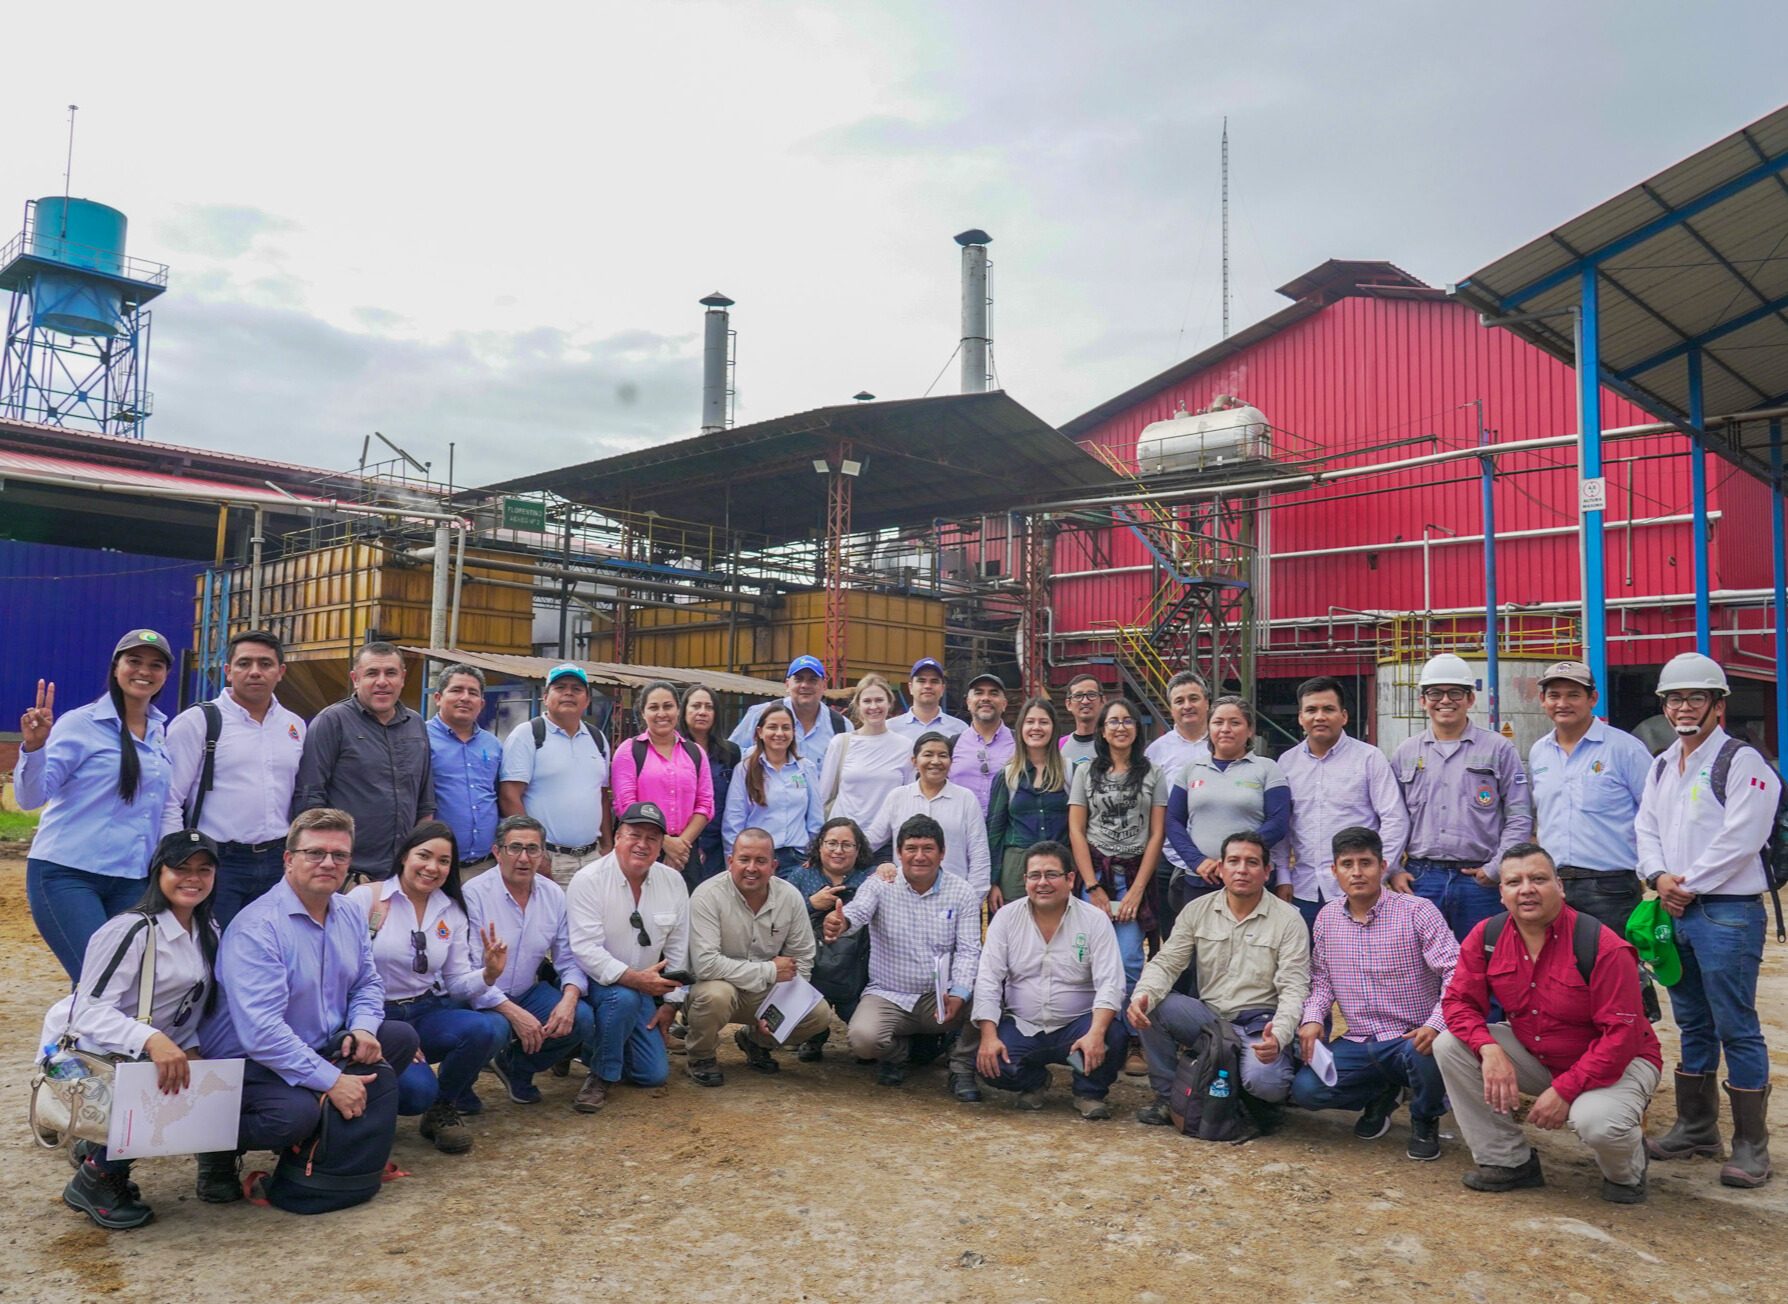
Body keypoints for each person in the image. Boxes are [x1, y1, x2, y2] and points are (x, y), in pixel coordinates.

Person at [202, 808, 421, 1204]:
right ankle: (214, 1147)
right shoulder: (259, 927)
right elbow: (262, 1035)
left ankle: (322, 1141)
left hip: (318, 1040)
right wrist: (332, 1080)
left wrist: (364, 1029)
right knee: (293, 1116)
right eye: (314, 853)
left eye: (339, 855)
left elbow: (368, 982)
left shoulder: (350, 912)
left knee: (398, 1037)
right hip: (250, 1063)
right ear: (288, 859)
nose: (328, 863)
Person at [1435, 844, 1661, 1203]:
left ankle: (1628, 1168)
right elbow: (1458, 1002)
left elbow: (1621, 1036)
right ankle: (1508, 1161)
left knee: (1596, 1123)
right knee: (1450, 1045)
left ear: (1560, 887)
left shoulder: (1601, 945)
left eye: (1538, 879)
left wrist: (1566, 1090)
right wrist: (1489, 1048)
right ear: (1502, 893)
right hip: (1540, 1054)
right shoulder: (1486, 936)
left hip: (1620, 1061)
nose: (1526, 889)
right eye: (1515, 881)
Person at [1636, 651, 1779, 1189]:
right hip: (1676, 907)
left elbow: (1743, 837)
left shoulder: (1742, 762)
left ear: (1719, 704)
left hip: (1726, 914)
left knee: (1736, 1025)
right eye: (1675, 698)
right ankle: (1696, 1127)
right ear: (1665, 706)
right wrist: (1658, 877)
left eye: (1697, 697)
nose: (1685, 707)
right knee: (1693, 1020)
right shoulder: (1661, 763)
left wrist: (1685, 883)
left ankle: (1750, 1145)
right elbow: (1644, 827)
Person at [47, 829, 223, 1228]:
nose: (192, 878)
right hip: (104, 1049)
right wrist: (153, 1040)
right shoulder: (132, 930)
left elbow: (188, 1007)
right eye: (180, 868)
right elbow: (87, 1011)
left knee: (204, 1067)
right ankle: (97, 1178)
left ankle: (103, 1153)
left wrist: (189, 1044)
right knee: (158, 1074)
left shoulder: (208, 928)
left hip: (156, 1046)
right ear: (158, 871)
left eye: (204, 869)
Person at [1291, 826, 1457, 1161]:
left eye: (1365, 862)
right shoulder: (1326, 918)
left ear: (1382, 867)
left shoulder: (1417, 911)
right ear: (1334, 871)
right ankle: (1381, 1093)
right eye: (1347, 864)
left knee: (1426, 1052)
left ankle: (1425, 1118)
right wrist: (1311, 1020)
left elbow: (1456, 972)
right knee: (1306, 1090)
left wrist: (1436, 1024)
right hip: (1360, 1041)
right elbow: (1322, 981)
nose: (1356, 872)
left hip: (1411, 1037)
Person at [19, 629, 176, 980]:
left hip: (132, 880)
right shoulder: (80, 723)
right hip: (68, 874)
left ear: (165, 675)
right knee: (99, 979)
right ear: (116, 667)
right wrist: (34, 748)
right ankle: (69, 1037)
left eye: (155, 665)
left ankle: (78, 1037)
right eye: (134, 661)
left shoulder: (161, 732)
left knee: (130, 982)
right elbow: (31, 797)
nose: (144, 672)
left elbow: (163, 807)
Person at [346, 821, 509, 1154]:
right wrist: (386, 1033)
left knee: (487, 1027)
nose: (433, 867)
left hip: (424, 1008)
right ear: (405, 855)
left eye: (444, 861)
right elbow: (341, 975)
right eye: (424, 855)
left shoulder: (450, 910)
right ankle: (369, 1112)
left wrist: (488, 974)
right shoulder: (367, 899)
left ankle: (443, 1107)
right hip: (376, 1016)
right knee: (415, 1094)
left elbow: (456, 984)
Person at [1129, 831, 1311, 1124]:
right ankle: (1168, 1098)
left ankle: (1241, 1090)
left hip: (1258, 1025)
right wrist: (1143, 994)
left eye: (1252, 862)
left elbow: (1295, 987)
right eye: (1234, 861)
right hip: (1209, 1021)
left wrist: (1278, 1036)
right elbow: (1166, 963)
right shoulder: (1196, 910)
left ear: (1267, 872)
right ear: (1221, 868)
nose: (1242, 869)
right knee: (1151, 1005)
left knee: (1267, 1084)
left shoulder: (1289, 919)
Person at [824, 815, 983, 1099]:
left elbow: (970, 950)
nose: (919, 856)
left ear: (942, 853)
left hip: (940, 998)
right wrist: (841, 922)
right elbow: (857, 912)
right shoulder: (880, 884)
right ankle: (900, 1055)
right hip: (889, 994)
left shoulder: (963, 892)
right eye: (911, 848)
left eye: (928, 848)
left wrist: (959, 993)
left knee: (986, 996)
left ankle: (961, 1068)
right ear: (899, 852)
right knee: (863, 1040)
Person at [160, 630, 307, 929]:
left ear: (281, 672)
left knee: (269, 950)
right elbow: (170, 799)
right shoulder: (198, 722)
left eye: (265, 664)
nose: (254, 672)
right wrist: (178, 860)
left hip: (278, 861)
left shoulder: (294, 725)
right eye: (244, 663)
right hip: (217, 861)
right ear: (228, 671)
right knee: (212, 952)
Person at [971, 841, 1128, 1118]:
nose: (1042, 883)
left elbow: (1110, 982)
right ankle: (1036, 1081)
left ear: (1070, 879)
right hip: (1024, 1025)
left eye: (1051, 875)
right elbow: (988, 979)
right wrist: (988, 1035)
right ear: (1025, 881)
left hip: (1077, 1026)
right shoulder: (1006, 918)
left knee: (1112, 1036)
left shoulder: (1094, 920)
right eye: (1035, 876)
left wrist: (1095, 1033)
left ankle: (1088, 1091)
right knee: (993, 1064)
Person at [1392, 653, 1532, 942]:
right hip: (1421, 879)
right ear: (1422, 701)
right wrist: (1392, 868)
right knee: (1421, 968)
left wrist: (1497, 868)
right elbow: (1392, 817)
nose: (1445, 700)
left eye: (1455, 692)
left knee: (1487, 964)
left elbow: (1519, 815)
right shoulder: (1406, 753)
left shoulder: (1498, 749)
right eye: (1435, 693)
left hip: (1480, 881)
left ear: (1470, 699)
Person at [462, 814, 597, 1107]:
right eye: (515, 848)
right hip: (479, 996)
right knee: (494, 1028)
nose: (524, 858)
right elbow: (468, 972)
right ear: (497, 852)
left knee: (581, 1018)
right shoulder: (473, 894)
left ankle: (516, 1067)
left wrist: (569, 999)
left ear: (543, 854)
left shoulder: (553, 895)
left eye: (533, 849)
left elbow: (569, 958)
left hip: (526, 991)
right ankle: (457, 1086)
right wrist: (512, 1012)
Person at [565, 801, 690, 1112]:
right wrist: (635, 980)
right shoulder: (588, 879)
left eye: (652, 838)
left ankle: (583, 1045)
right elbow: (586, 950)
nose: (642, 845)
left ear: (662, 845)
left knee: (653, 1075)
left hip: (644, 988)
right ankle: (601, 1076)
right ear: (617, 836)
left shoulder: (673, 881)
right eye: (634, 835)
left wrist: (672, 1004)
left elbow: (678, 945)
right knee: (623, 999)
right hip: (596, 983)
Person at [684, 828, 833, 1087]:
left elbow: (803, 958)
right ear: (730, 861)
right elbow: (705, 964)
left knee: (818, 1015)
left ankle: (755, 1041)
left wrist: (782, 1011)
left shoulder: (790, 897)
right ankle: (701, 1056)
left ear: (774, 865)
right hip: (717, 987)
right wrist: (769, 971)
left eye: (761, 861)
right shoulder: (707, 895)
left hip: (764, 994)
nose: (752, 868)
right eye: (744, 859)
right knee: (715, 995)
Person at [1068, 698, 1168, 1075]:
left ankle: (1129, 1041)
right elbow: (1076, 830)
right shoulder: (1085, 772)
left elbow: (1157, 833)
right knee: (1085, 957)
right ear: (1103, 729)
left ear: (1136, 728)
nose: (1120, 727)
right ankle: (1089, 1033)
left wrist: (1138, 890)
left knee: (1129, 959)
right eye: (1113, 721)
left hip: (1133, 875)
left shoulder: (1153, 773)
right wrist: (1092, 887)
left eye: (1127, 720)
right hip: (1095, 875)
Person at [291, 641, 435, 883]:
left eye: (390, 673)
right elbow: (310, 800)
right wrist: (333, 867)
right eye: (371, 673)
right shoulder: (332, 722)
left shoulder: (416, 724)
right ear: (355, 679)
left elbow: (425, 802)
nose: (382, 681)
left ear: (402, 678)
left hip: (402, 872)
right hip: (350, 874)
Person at [1273, 677, 1409, 931]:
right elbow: (1283, 828)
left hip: (1359, 892)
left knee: (1360, 965)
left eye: (1328, 709)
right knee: (1308, 967)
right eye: (1311, 710)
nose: (1319, 717)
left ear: (1344, 716)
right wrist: (1282, 875)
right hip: (1304, 890)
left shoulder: (1369, 759)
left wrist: (1380, 871)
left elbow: (1394, 819)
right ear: (1301, 717)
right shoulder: (1286, 764)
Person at [1165, 696, 1290, 919]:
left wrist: (1234, 858)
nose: (1225, 729)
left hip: (1250, 879)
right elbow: (1173, 821)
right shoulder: (1191, 770)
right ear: (1209, 727)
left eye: (1235, 722)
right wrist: (1197, 861)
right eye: (1218, 722)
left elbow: (1278, 823)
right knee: (1200, 950)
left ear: (1250, 730)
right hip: (1201, 879)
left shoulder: (1267, 769)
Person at [500, 663, 612, 887]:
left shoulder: (597, 738)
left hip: (593, 859)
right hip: (548, 859)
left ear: (587, 700)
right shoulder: (528, 735)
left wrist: (607, 847)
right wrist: (534, 853)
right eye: (560, 687)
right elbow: (509, 796)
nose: (568, 693)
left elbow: (601, 796)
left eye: (577, 689)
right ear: (545, 696)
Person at [785, 817, 877, 1060]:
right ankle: (813, 1035)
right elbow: (778, 919)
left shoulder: (871, 879)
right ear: (819, 846)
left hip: (857, 971)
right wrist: (810, 904)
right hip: (811, 968)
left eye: (847, 845)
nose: (838, 850)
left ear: (859, 849)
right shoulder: (801, 877)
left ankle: (860, 1033)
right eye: (831, 843)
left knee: (870, 1040)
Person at [862, 732, 993, 894]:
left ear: (951, 762)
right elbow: (870, 842)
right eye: (928, 754)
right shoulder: (897, 797)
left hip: (953, 895)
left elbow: (979, 854)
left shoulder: (966, 798)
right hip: (903, 896)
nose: (936, 761)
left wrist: (974, 898)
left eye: (943, 755)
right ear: (914, 761)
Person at [610, 680, 714, 879]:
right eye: (653, 707)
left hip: (685, 852)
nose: (661, 714)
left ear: (678, 709)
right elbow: (625, 806)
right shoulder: (629, 751)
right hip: (641, 849)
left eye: (668, 706)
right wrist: (664, 842)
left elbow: (705, 804)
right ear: (643, 713)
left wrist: (680, 846)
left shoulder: (695, 753)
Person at [986, 698, 1071, 908]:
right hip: (1016, 871)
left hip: (1059, 867)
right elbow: (994, 834)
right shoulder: (1007, 776)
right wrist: (993, 882)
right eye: (1030, 722)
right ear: (1021, 728)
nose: (1036, 728)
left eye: (1043, 722)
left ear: (1054, 727)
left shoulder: (1071, 771)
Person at [722, 701, 823, 872]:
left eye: (785, 728)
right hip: (757, 859)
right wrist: (733, 861)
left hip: (798, 859)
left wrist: (815, 857)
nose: (779, 733)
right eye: (772, 727)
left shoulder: (806, 768)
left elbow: (816, 820)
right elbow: (734, 821)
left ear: (793, 732)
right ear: (760, 732)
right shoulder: (745, 769)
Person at [426, 663, 504, 878]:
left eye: (473, 693)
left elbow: (499, 796)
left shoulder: (493, 745)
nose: (465, 698)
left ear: (482, 703)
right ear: (438, 698)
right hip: (437, 866)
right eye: (456, 690)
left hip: (485, 866)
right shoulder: (419, 739)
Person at [817, 673, 913, 843]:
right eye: (867, 701)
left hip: (884, 844)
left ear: (889, 703)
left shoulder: (905, 747)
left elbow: (908, 801)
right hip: (841, 843)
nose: (873, 706)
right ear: (858, 705)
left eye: (879, 700)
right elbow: (823, 797)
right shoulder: (840, 743)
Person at [1147, 670, 1213, 900]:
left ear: (1207, 702)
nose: (1187, 706)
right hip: (1169, 857)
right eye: (1179, 701)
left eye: (1194, 698)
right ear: (1171, 707)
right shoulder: (1155, 752)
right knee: (1173, 932)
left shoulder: (1225, 743)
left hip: (1218, 859)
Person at [729, 654, 853, 756]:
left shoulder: (841, 726)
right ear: (787, 684)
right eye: (798, 679)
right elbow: (732, 754)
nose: (804, 685)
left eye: (812, 680)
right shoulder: (760, 715)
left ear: (824, 685)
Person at [679, 684, 740, 889]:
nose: (702, 712)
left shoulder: (731, 753)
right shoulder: (673, 749)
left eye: (708, 707)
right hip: (682, 843)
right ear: (684, 711)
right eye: (695, 706)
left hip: (719, 845)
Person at [949, 670, 1016, 814]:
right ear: (968, 702)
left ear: (1004, 704)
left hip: (1005, 832)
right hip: (962, 830)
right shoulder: (952, 745)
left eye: (993, 693)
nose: (986, 698)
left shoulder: (1020, 744)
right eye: (979, 693)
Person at [889, 656, 966, 742]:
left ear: (942, 689)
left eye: (934, 681)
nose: (928, 686)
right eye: (921, 681)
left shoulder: (960, 729)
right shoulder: (890, 728)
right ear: (910, 687)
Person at [1057, 674, 1105, 768]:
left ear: (1103, 701)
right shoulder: (1059, 746)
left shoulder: (1112, 744)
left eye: (1091, 695)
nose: (1085, 701)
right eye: (1078, 696)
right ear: (1068, 704)